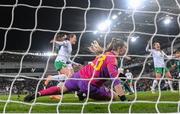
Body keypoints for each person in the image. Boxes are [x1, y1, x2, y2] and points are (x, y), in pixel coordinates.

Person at [24, 38, 128, 102]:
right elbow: (115, 79)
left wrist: (119, 74)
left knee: (61, 89)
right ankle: (82, 93)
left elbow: (109, 72)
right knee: (114, 96)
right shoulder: (112, 59)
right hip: (88, 85)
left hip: (78, 77)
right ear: (119, 48)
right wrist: (123, 98)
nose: (126, 50)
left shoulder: (104, 54)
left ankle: (37, 94)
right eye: (125, 48)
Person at [44, 33, 81, 100]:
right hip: (59, 62)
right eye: (74, 38)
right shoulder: (67, 42)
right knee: (69, 75)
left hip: (62, 62)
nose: (76, 39)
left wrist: (76, 63)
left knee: (66, 78)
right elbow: (62, 43)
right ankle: (50, 78)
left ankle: (55, 94)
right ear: (70, 38)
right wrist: (56, 42)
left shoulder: (69, 47)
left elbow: (68, 59)